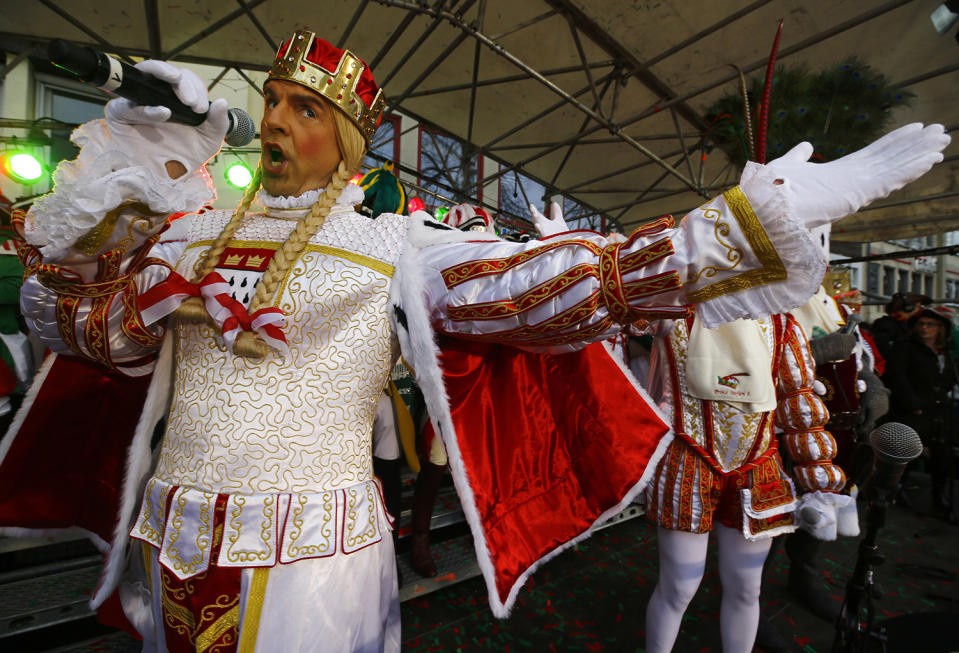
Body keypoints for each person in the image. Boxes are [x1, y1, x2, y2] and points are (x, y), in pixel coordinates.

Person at [0, 27, 948, 652]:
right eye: (276, 101)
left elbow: (558, 287)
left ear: (349, 140)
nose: (280, 122)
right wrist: (117, 180)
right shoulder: (187, 233)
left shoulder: (393, 245)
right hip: (170, 540)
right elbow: (96, 338)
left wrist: (741, 224)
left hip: (313, 560)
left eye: (306, 109)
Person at [883, 306, 956, 516]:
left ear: (940, 328)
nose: (924, 328)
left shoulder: (945, 353)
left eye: (929, 324)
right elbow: (897, 377)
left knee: (943, 454)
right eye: (921, 324)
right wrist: (913, 404)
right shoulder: (905, 347)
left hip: (939, 410)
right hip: (912, 409)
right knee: (906, 452)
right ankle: (895, 490)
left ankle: (939, 494)